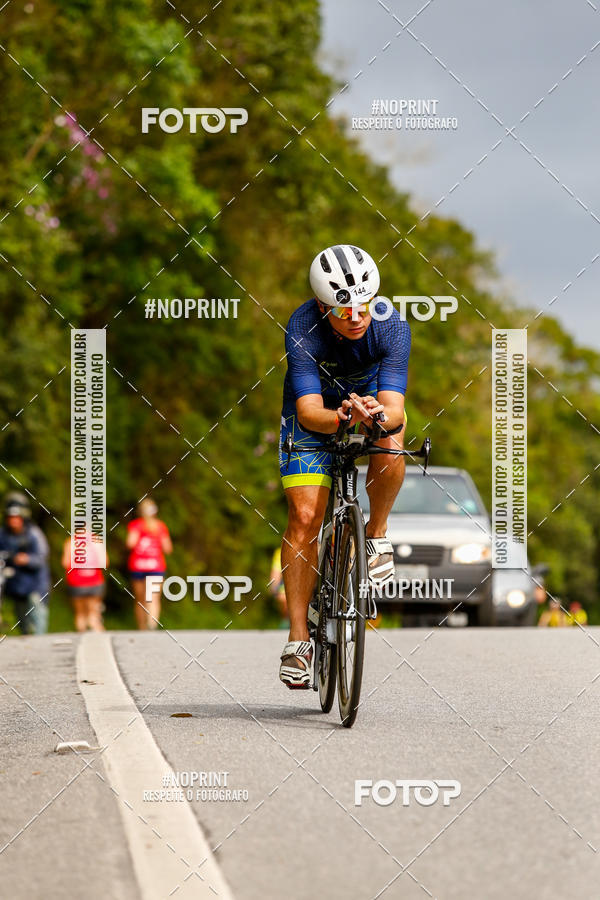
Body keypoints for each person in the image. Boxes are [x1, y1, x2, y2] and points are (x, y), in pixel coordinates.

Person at [278, 245, 410, 687]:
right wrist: (340, 418)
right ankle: (299, 639)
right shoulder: (303, 327)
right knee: (303, 518)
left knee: (392, 439)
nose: (356, 317)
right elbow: (309, 411)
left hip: (368, 408)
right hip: (315, 418)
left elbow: (396, 409)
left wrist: (374, 415)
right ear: (322, 306)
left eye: (364, 306)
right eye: (343, 309)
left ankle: (376, 534)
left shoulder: (392, 327)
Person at [0, 491, 51, 634]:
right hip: (16, 586)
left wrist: (27, 559)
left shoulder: (34, 534)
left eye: (16, 517)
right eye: (11, 517)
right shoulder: (3, 535)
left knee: (37, 620)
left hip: (35, 585)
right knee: (23, 625)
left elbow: (42, 558)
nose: (13, 521)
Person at [126, 498, 172, 630]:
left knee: (140, 598)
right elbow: (168, 548)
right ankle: (152, 624)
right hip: (155, 566)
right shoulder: (160, 526)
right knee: (153, 597)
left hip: (138, 566)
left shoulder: (136, 525)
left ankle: (142, 627)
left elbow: (130, 543)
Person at [61, 534, 107, 631]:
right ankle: (97, 636)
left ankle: (82, 636)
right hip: (95, 581)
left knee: (80, 613)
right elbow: (105, 562)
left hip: (76, 582)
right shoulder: (97, 541)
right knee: (94, 612)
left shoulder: (71, 542)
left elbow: (65, 562)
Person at [269, 546, 289, 628]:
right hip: (286, 582)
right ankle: (286, 621)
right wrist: (273, 586)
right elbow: (276, 571)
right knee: (283, 597)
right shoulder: (280, 552)